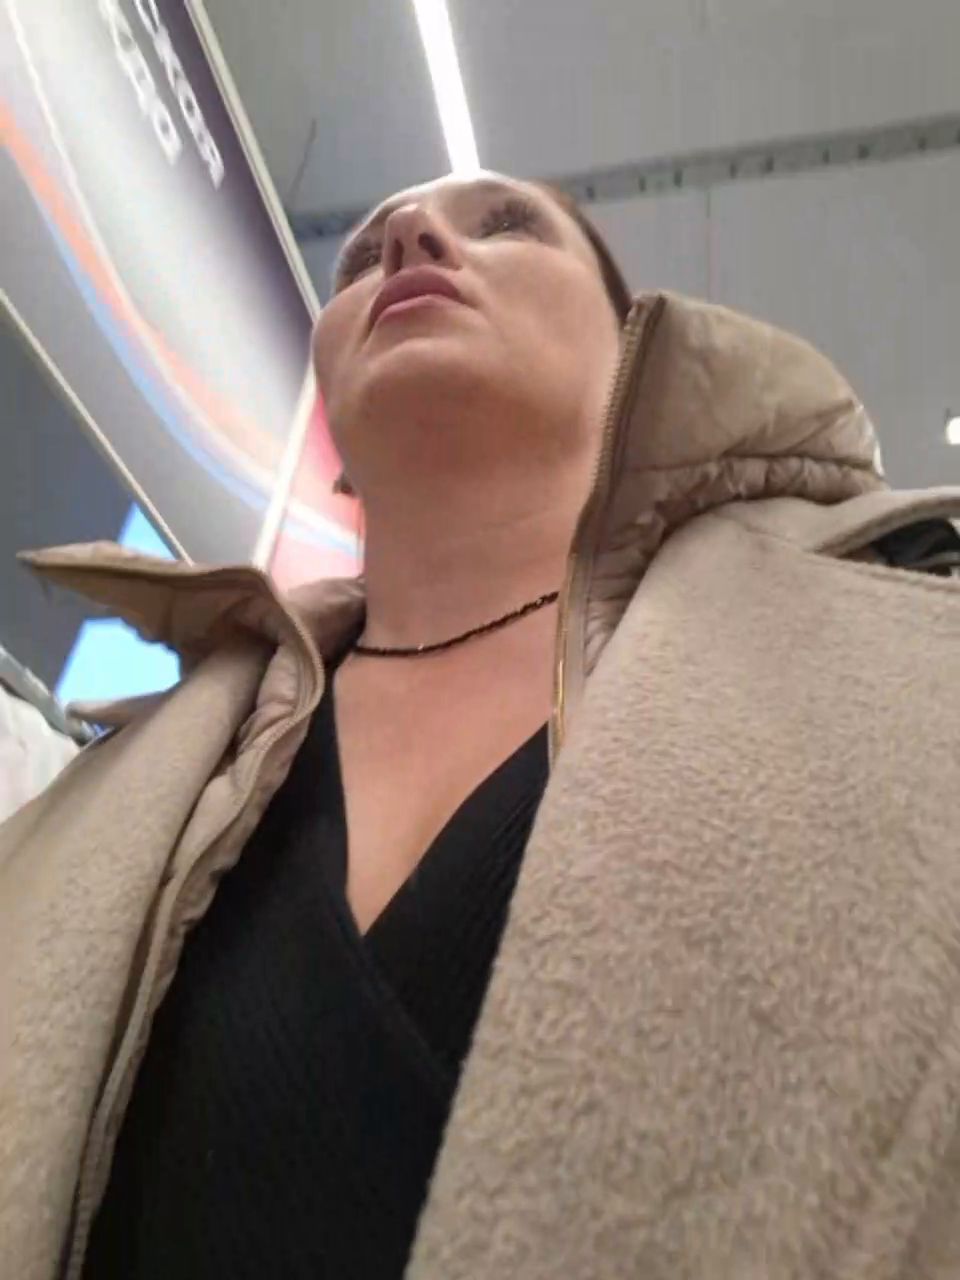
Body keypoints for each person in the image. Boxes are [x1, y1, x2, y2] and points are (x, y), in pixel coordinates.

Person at [1, 171, 959, 1280]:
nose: (410, 235)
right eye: (361, 260)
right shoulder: (129, 795)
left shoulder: (909, 647)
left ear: (633, 362)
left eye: (507, 226)